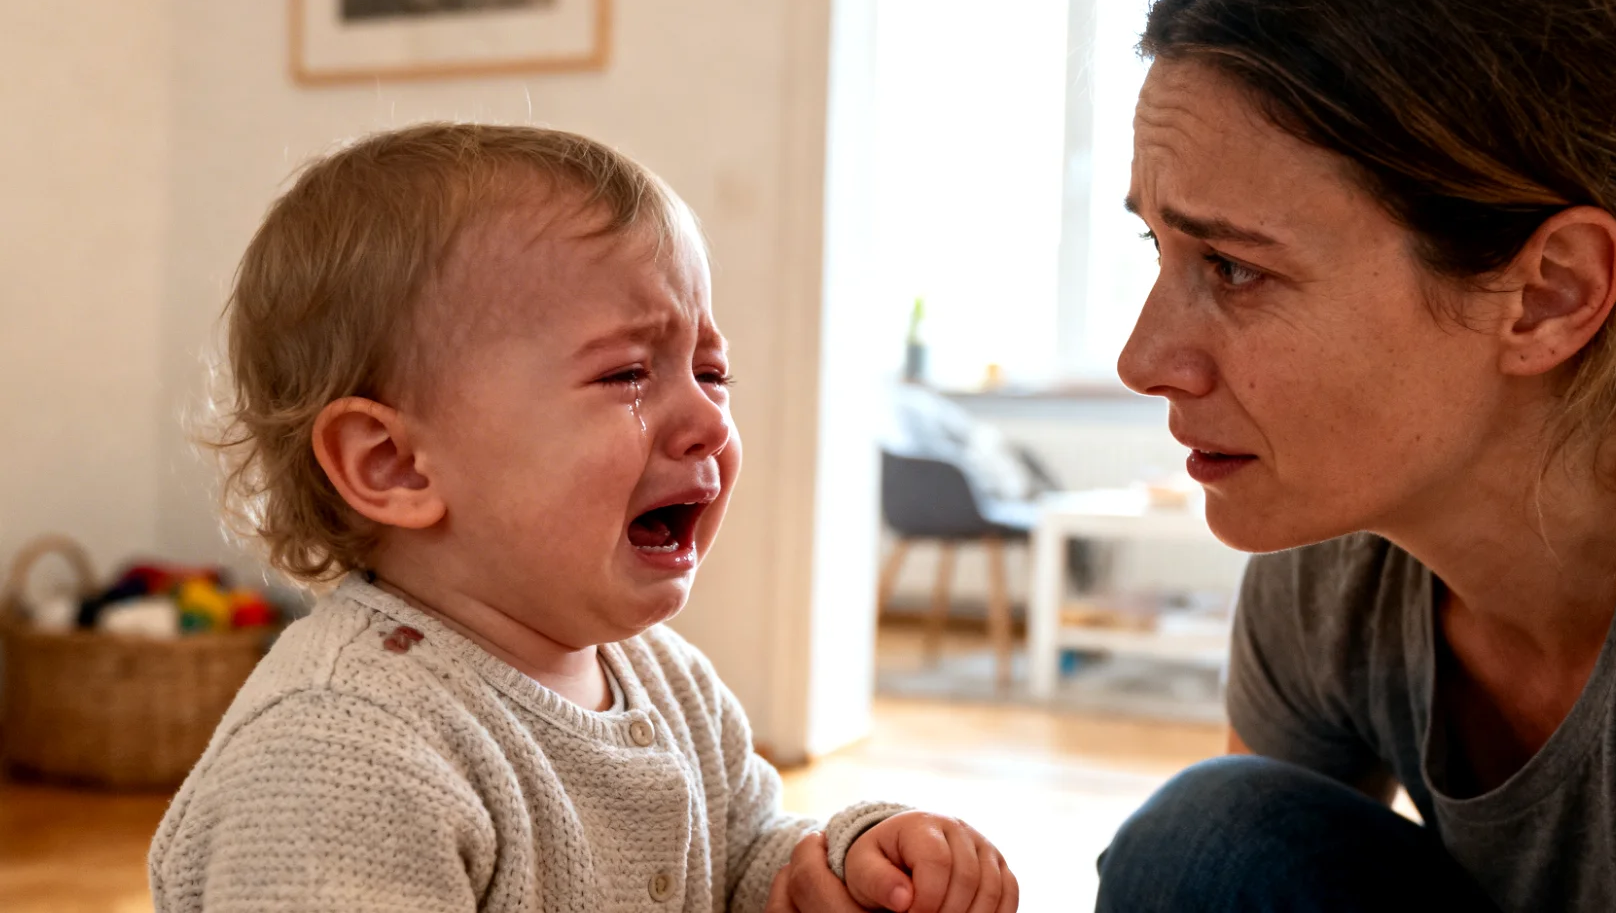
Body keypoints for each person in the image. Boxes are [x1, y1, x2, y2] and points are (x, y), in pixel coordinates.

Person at [1097, 0, 1616, 910]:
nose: (1143, 360)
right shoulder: (1339, 545)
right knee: (1214, 841)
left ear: (1550, 293)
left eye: (1235, 267)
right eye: (1157, 250)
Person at [149, 124, 1020, 913]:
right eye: (628, 375)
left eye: (711, 372)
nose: (712, 419)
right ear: (395, 464)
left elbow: (746, 851)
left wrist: (836, 863)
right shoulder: (340, 755)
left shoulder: (668, 681)